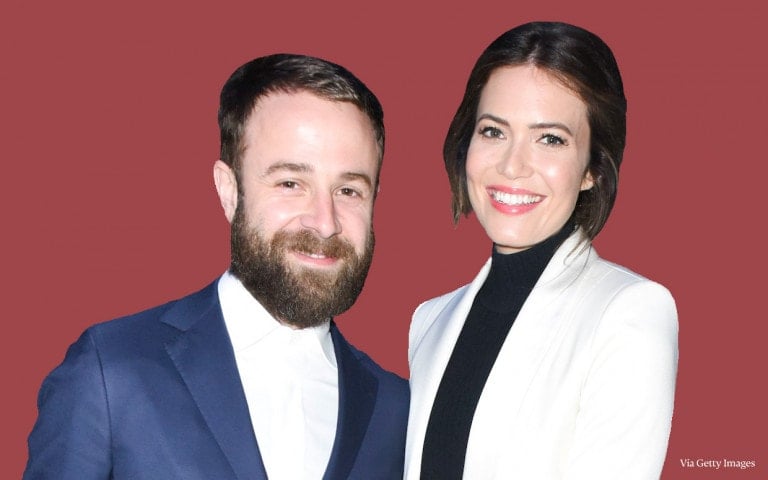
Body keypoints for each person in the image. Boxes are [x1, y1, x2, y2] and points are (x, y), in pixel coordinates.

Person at [24, 53, 408, 480]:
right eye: (290, 183)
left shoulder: (397, 409)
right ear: (229, 190)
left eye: (349, 190)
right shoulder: (109, 371)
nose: (325, 221)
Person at [405, 22, 678, 479]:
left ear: (593, 168)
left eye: (550, 138)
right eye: (493, 131)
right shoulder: (428, 321)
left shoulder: (629, 312)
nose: (512, 165)